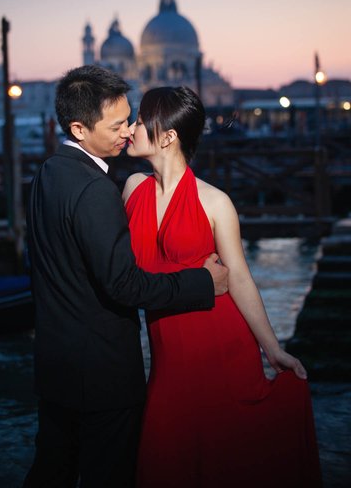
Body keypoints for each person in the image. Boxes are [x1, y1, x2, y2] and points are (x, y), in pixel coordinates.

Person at [22, 66, 228, 488]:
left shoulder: (47, 173)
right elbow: (125, 284)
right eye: (118, 125)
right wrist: (202, 283)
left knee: (51, 473)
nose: (129, 131)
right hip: (101, 374)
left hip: (55, 365)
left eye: (129, 118)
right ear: (79, 128)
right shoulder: (95, 189)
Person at [123, 86, 322, 488]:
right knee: (164, 459)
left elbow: (241, 278)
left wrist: (272, 348)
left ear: (167, 136)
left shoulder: (215, 202)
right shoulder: (130, 190)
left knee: (223, 458)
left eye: (140, 121)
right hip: (167, 359)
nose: (130, 128)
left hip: (221, 345)